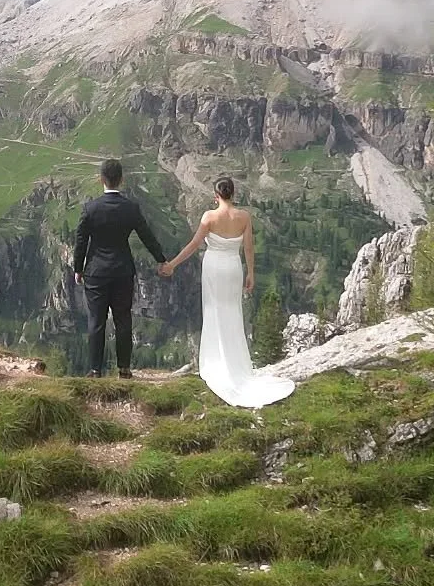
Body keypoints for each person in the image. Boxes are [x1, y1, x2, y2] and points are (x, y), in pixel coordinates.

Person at [163, 176, 294, 408]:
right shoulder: (244, 217)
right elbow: (249, 247)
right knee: (232, 313)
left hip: (213, 267)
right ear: (233, 194)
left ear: (216, 196)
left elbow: (194, 245)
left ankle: (215, 362)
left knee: (213, 311)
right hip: (233, 267)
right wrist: (251, 273)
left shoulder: (209, 217)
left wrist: (173, 264)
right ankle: (237, 364)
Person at [73, 158, 170, 378]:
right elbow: (147, 236)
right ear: (121, 180)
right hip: (122, 271)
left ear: (101, 180)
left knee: (96, 321)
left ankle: (95, 370)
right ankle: (124, 369)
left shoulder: (90, 209)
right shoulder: (131, 208)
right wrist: (161, 259)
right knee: (123, 319)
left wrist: (78, 268)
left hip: (96, 272)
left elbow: (81, 241)